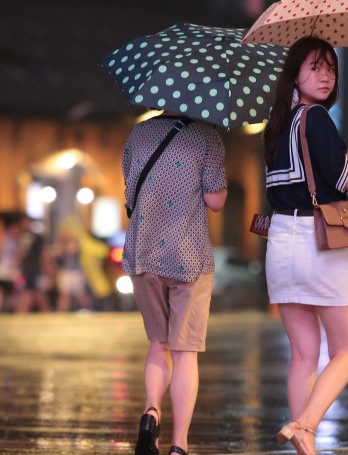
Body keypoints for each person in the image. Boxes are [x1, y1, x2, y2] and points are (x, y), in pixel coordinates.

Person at [262, 37, 348, 455]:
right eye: (315, 68)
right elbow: (344, 178)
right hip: (318, 242)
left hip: (280, 243)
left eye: (330, 68)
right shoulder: (317, 119)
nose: (326, 75)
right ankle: (305, 424)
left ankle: (304, 449)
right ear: (295, 74)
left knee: (304, 355)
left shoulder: (277, 125)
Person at [121, 109, 227, 455]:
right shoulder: (207, 136)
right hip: (188, 257)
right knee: (185, 353)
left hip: (143, 252)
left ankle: (151, 410)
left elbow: (129, 192)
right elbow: (215, 200)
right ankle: (179, 444)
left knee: (158, 343)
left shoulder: (138, 134)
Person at [13, 215, 54, 314]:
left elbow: (43, 253)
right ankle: (45, 312)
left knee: (33, 292)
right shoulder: (24, 236)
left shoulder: (32, 237)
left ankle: (22, 313)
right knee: (33, 292)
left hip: (33, 269)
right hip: (28, 268)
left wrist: (48, 266)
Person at [0, 212, 24, 316]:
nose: (16, 231)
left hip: (13, 272)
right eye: (15, 229)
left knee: (17, 293)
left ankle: (19, 312)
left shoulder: (16, 241)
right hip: (4, 270)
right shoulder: (5, 239)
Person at [50, 228, 92, 312]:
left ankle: (89, 309)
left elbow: (72, 250)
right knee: (65, 294)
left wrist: (63, 245)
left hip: (76, 272)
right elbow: (57, 255)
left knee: (80, 294)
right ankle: (62, 312)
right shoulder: (60, 244)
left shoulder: (76, 243)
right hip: (65, 272)